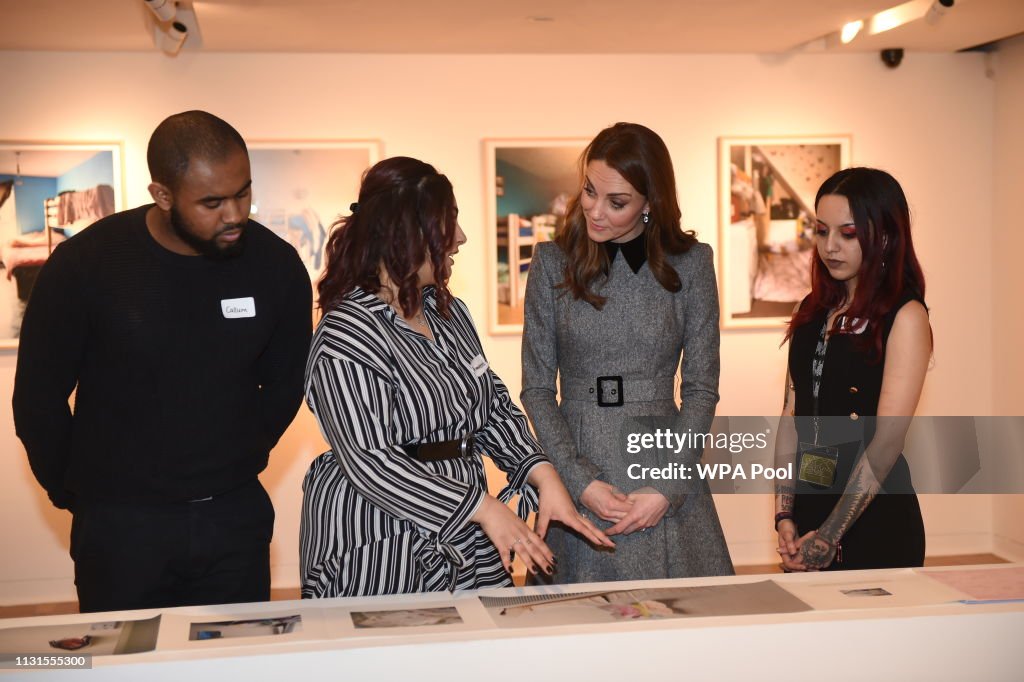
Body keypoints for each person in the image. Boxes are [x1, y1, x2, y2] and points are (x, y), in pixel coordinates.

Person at [13, 111, 313, 612]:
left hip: (231, 518)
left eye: (243, 192)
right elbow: (38, 399)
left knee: (234, 662)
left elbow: (285, 382)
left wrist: (238, 458)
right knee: (126, 662)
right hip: (121, 527)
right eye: (212, 202)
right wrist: (78, 493)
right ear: (163, 195)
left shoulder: (275, 265)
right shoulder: (86, 265)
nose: (235, 213)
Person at [299, 156, 612, 598]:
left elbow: (493, 410)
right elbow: (372, 462)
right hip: (381, 535)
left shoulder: (448, 314)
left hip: (467, 523)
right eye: (447, 226)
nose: (460, 239)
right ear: (405, 235)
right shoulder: (346, 335)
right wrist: (481, 508)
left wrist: (541, 474)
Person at [520, 122, 733, 584]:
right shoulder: (551, 263)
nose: (595, 211)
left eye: (617, 203)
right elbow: (536, 390)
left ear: (650, 204)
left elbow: (701, 388)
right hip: (578, 465)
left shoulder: (692, 263)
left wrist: (667, 487)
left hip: (662, 468)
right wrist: (579, 482)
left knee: (677, 639)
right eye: (590, 192)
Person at [774, 167, 930, 571]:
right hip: (810, 513)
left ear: (885, 234)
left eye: (847, 233)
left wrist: (828, 537)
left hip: (876, 525)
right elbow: (791, 417)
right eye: (821, 231)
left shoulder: (905, 317)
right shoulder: (808, 311)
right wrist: (785, 516)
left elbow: (886, 444)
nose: (830, 247)